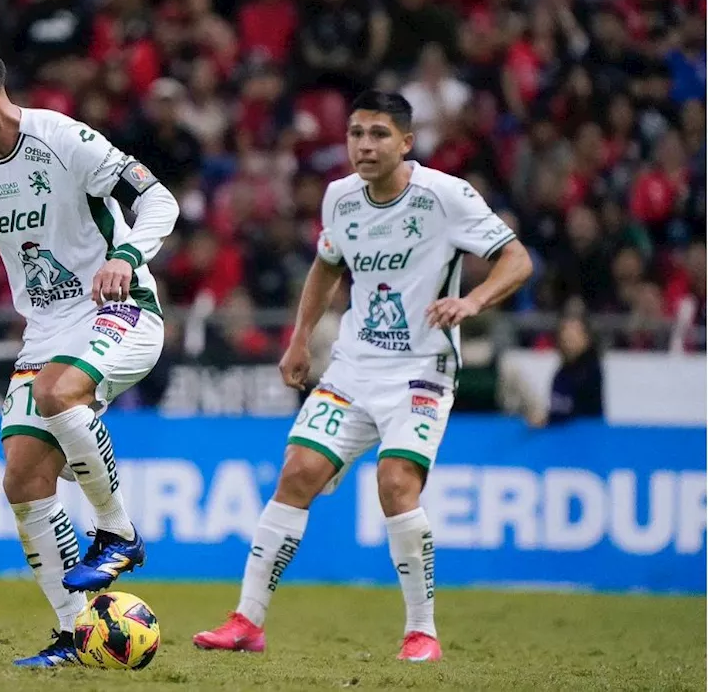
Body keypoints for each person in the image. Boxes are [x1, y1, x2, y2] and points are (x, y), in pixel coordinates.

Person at [192, 91, 533, 662]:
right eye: (355, 133)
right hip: (353, 366)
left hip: (422, 371)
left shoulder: (445, 196)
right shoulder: (340, 198)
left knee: (396, 482)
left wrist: (472, 301)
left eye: (378, 134)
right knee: (298, 472)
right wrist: (301, 338)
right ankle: (247, 622)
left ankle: (421, 631)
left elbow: (517, 259)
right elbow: (326, 267)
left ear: (406, 141)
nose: (364, 145)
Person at [0, 34, 179, 667]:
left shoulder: (65, 139)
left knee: (60, 392)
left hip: (122, 309)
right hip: (49, 330)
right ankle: (73, 633)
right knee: (24, 477)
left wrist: (125, 253)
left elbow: (160, 198)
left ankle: (118, 532)